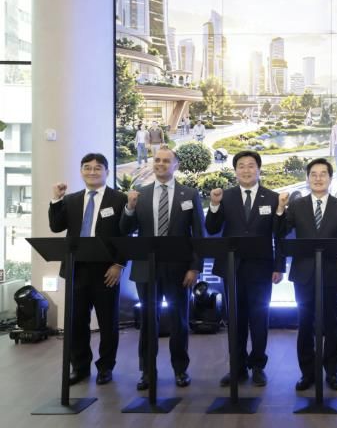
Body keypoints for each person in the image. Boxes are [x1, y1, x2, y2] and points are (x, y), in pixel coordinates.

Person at [120, 147, 204, 390]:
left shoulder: (190, 194)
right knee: (148, 321)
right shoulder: (140, 194)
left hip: (179, 269)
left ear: (176, 165)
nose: (161, 164)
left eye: (167, 161)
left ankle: (180, 370)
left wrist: (195, 267)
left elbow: (198, 234)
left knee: (179, 321)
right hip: (146, 267)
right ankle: (147, 372)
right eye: (157, 160)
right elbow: (125, 229)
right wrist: (129, 208)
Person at [206, 150, 285, 387]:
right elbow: (212, 228)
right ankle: (237, 368)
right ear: (235, 171)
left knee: (259, 319)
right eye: (241, 166)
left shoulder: (273, 198)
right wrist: (214, 205)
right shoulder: (225, 196)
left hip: (261, 268)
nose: (246, 170)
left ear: (259, 169)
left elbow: (280, 235)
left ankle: (258, 366)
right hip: (233, 268)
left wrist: (279, 266)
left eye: (251, 165)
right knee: (235, 320)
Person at [274, 158, 337, 392]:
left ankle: (332, 373)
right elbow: (281, 231)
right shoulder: (296, 206)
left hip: (331, 274)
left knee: (333, 325)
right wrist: (280, 210)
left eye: (323, 174)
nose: (318, 178)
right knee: (305, 325)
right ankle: (307, 374)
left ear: (330, 178)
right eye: (313, 174)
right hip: (304, 275)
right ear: (308, 178)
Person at [48, 153, 127, 386]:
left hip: (106, 271)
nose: (92, 172)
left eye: (97, 168)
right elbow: (56, 227)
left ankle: (106, 367)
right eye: (87, 168)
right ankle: (80, 367)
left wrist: (119, 264)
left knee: (107, 323)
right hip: (76, 268)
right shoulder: (71, 200)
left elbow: (126, 234)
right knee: (76, 321)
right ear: (81, 171)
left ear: (107, 172)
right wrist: (56, 200)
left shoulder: (119, 199)